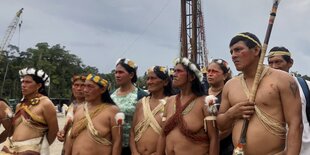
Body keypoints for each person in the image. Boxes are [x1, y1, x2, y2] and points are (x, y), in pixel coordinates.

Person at [217, 32, 303, 155]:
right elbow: (220, 125)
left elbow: (296, 124)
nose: (233, 55)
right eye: (231, 52)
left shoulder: (282, 80)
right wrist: (232, 114)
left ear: (257, 50)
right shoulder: (230, 85)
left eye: (238, 50)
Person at [157, 57, 219, 155]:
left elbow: (214, 138)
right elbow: (162, 134)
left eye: (179, 71)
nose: (174, 74)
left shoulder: (206, 102)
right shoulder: (169, 101)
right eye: (174, 71)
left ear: (192, 77)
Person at [1, 67, 59, 154]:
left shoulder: (45, 103)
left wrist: (40, 148)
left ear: (39, 85)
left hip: (32, 150)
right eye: (22, 82)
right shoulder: (19, 105)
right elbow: (11, 131)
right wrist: (5, 116)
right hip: (11, 148)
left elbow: (54, 131)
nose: (23, 85)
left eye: (28, 82)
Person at [268, 46, 310, 155]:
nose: (274, 67)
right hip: (274, 149)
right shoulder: (262, 90)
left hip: (304, 148)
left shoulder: (306, 86)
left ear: (290, 63)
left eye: (278, 62)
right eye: (270, 63)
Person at [67, 74, 122, 155]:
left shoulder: (112, 111)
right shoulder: (78, 108)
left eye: (90, 86)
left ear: (102, 89)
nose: (85, 90)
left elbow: (117, 142)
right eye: (85, 86)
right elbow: (71, 138)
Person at [130, 66, 174, 155]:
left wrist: (159, 152)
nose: (149, 82)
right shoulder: (140, 103)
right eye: (148, 79)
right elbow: (132, 131)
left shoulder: (171, 103)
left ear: (165, 82)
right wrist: (134, 152)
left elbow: (172, 135)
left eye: (153, 78)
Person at [111, 58, 148, 155]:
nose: (117, 75)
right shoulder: (111, 96)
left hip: (134, 148)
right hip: (113, 146)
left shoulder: (141, 95)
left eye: (121, 72)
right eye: (116, 72)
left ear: (131, 75)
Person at [206, 58, 233, 155]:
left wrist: (211, 141)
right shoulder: (201, 93)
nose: (210, 74)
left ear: (225, 75)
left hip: (225, 147)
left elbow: (229, 127)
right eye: (208, 71)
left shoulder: (230, 94)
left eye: (214, 71)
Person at [57, 75, 86, 155]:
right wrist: (63, 132)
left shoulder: (90, 107)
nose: (79, 89)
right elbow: (69, 126)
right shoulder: (72, 105)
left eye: (82, 85)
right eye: (76, 85)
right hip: (67, 149)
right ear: (72, 87)